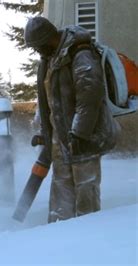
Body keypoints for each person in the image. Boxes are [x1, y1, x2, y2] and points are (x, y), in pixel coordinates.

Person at [24, 16, 119, 223]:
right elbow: (46, 101)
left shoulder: (81, 54)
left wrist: (79, 132)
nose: (37, 51)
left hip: (84, 139)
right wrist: (43, 131)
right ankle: (59, 242)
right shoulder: (49, 59)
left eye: (37, 46)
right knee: (61, 199)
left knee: (86, 196)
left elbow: (90, 96)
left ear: (48, 38)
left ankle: (87, 242)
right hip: (61, 142)